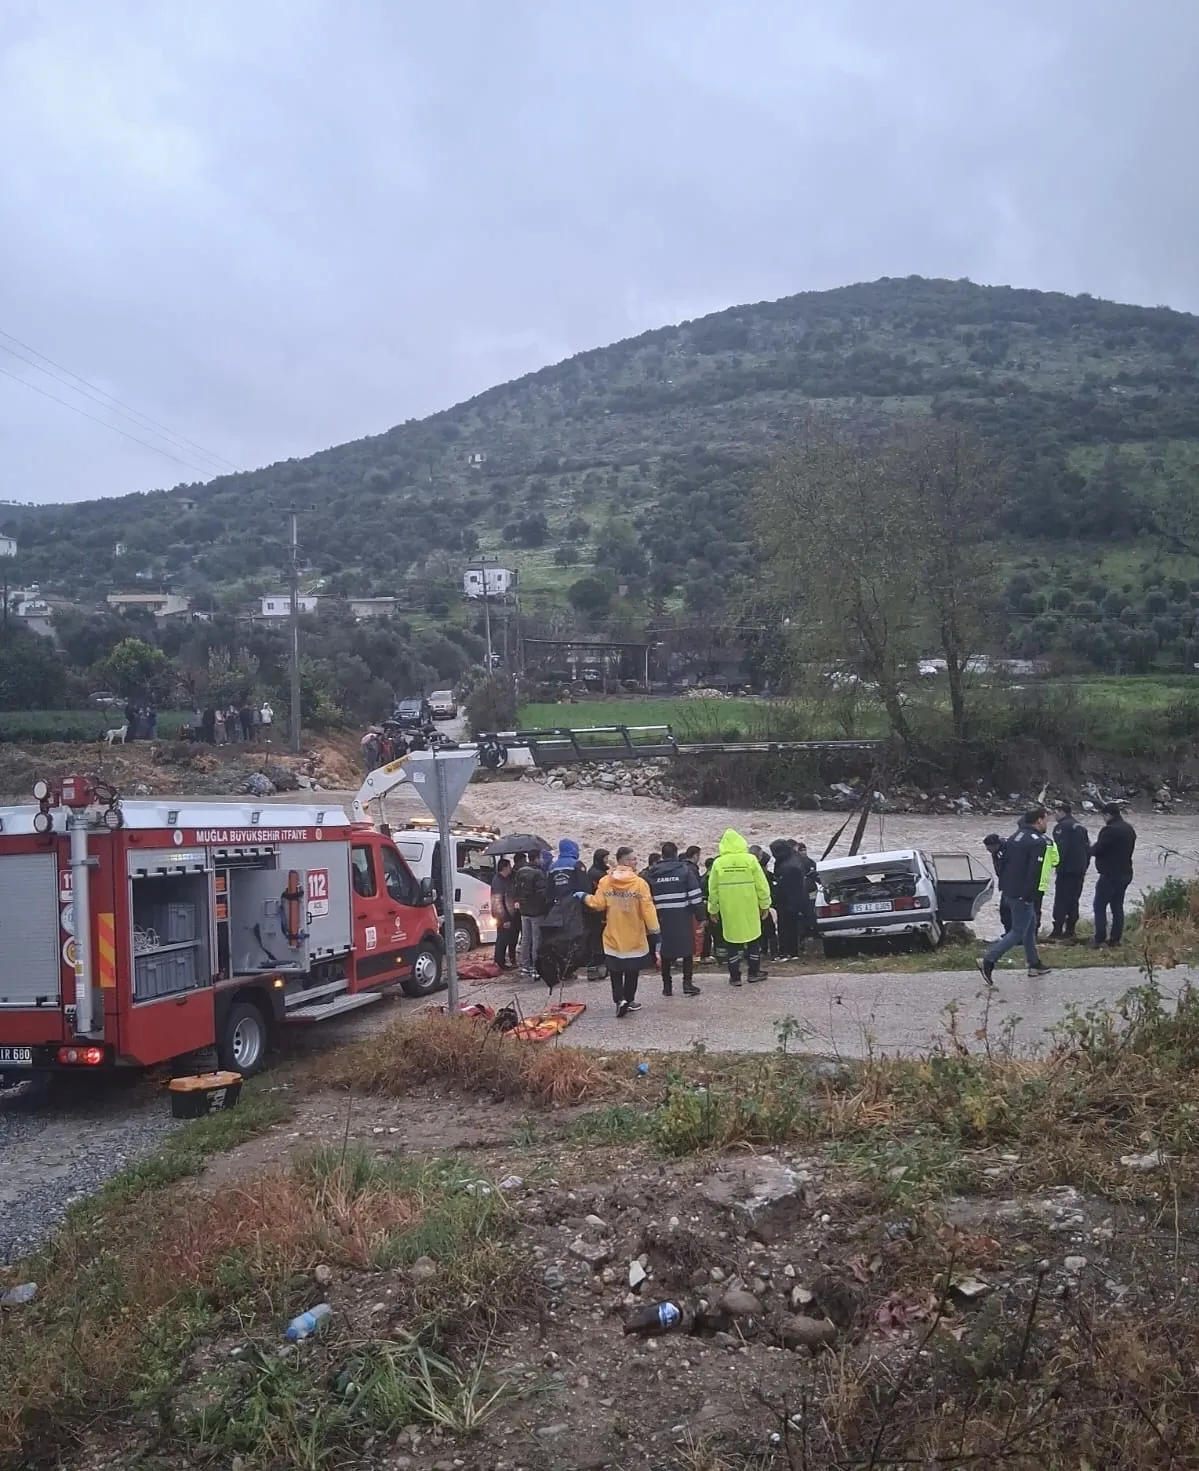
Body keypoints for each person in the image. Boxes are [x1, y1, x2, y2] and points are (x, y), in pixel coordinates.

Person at [977, 809, 1052, 984]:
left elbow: (1004, 866)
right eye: (1046, 820)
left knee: (1030, 925)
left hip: (1009, 890)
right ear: (1039, 821)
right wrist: (1029, 895)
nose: (1047, 824)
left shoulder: (1014, 837)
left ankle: (1034, 964)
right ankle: (988, 960)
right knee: (1018, 931)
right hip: (1022, 893)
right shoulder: (1038, 842)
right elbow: (1035, 872)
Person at [585, 847, 660, 1017]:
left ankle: (619, 1000)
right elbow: (647, 909)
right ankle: (629, 999)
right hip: (634, 935)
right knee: (632, 971)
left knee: (615, 970)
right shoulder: (639, 883)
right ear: (625, 861)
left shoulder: (606, 881)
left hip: (613, 934)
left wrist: (584, 897)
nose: (636, 862)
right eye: (633, 859)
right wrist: (655, 932)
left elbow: (598, 904)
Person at [708, 829, 772, 986]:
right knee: (753, 941)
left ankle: (735, 976)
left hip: (729, 910)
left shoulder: (718, 863)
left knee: (732, 943)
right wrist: (765, 905)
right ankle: (753, 973)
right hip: (750, 908)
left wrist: (713, 910)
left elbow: (713, 890)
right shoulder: (750, 860)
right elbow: (762, 885)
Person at [646, 842, 704, 997]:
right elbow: (694, 895)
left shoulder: (652, 873)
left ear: (663, 855)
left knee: (665, 951)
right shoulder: (684, 870)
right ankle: (687, 984)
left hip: (661, 918)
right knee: (687, 951)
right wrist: (700, 916)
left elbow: (647, 897)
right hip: (682, 916)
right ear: (676, 853)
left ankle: (667, 987)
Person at [1091, 802, 1137, 947]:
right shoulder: (1129, 829)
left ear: (1108, 815)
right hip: (1125, 873)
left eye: (1103, 816)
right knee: (1117, 906)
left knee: (1099, 905)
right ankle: (1116, 938)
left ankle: (1099, 938)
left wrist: (1087, 849)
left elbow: (1098, 849)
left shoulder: (1109, 830)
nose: (1103, 819)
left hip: (1110, 874)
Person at [1049, 800, 1090, 942]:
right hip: (1079, 869)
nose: (1054, 815)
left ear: (1062, 812)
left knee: (1061, 899)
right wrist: (1085, 866)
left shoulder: (1061, 827)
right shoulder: (1080, 827)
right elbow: (1087, 849)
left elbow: (1060, 849)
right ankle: (1071, 929)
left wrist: (1054, 864)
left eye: (1055, 812)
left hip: (1066, 870)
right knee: (1074, 899)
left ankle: (1057, 929)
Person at [512, 852, 554, 979]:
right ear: (536, 858)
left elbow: (516, 890)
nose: (542, 860)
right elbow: (542, 894)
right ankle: (536, 967)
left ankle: (525, 966)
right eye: (540, 858)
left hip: (524, 911)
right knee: (537, 940)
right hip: (537, 912)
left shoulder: (520, 871)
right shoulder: (539, 873)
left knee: (525, 939)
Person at [769, 839, 809, 961]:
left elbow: (783, 886)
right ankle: (791, 952)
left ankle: (786, 952)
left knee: (786, 927)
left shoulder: (787, 866)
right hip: (794, 899)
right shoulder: (793, 859)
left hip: (788, 900)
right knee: (791, 927)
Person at [584, 848, 610, 981]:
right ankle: (600, 969)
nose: (607, 860)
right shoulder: (598, 874)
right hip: (598, 911)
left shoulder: (592, 871)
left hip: (592, 910)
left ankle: (594, 970)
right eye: (605, 858)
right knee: (599, 940)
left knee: (595, 940)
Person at [490, 858, 518, 969]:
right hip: (503, 916)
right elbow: (497, 902)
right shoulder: (498, 881)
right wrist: (505, 919)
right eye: (509, 866)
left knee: (508, 938)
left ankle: (504, 961)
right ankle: (499, 963)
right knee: (502, 939)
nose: (511, 868)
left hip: (509, 913)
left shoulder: (506, 879)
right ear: (505, 868)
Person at [982, 833, 1011, 934]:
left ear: (995, 845)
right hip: (1005, 884)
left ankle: (1013, 934)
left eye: (989, 847)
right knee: (1004, 911)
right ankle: (1008, 932)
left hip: (1012, 885)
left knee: (1007, 910)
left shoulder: (1007, 851)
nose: (987, 850)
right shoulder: (996, 852)